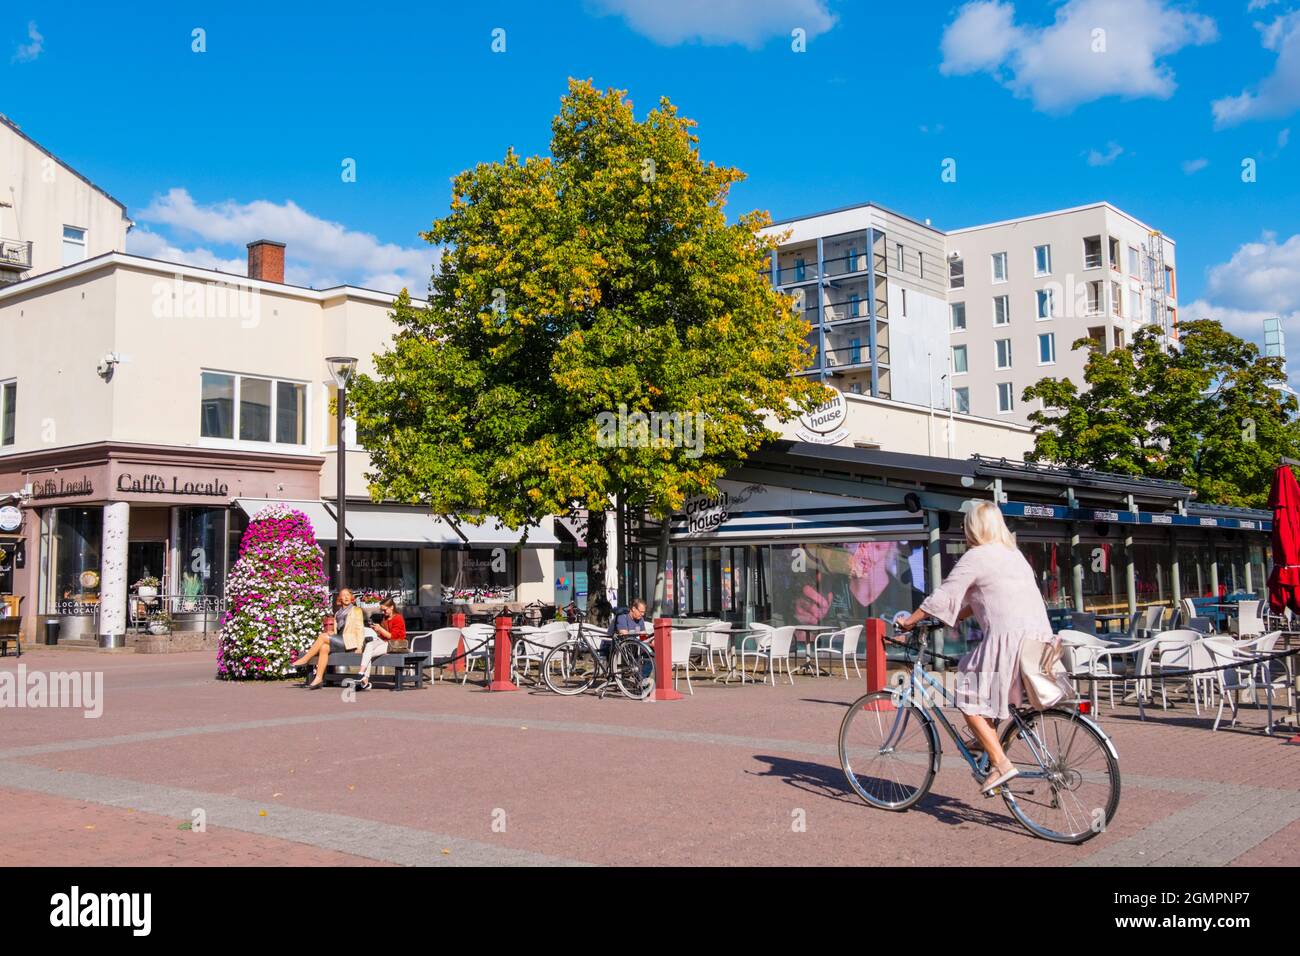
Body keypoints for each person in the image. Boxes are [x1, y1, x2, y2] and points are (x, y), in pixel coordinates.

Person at [896, 501, 1053, 795]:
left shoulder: (976, 557)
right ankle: (986, 739)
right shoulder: (1014, 555)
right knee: (984, 683)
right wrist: (950, 619)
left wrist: (910, 621)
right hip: (1038, 638)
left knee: (967, 694)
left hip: (1009, 639)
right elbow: (979, 600)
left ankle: (1001, 763)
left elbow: (944, 595)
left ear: (973, 527)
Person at [291, 588, 365, 689]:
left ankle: (305, 659)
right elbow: (339, 630)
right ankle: (318, 679)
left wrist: (359, 646)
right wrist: (333, 633)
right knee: (324, 647)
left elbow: (360, 629)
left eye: (348, 595)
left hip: (350, 642)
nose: (346, 597)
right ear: (340, 598)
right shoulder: (338, 613)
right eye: (343, 595)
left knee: (323, 636)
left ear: (352, 597)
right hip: (341, 641)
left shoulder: (356, 610)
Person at [349, 598, 406, 692]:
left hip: (395, 644)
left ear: (391, 607)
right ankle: (362, 675)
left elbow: (393, 637)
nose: (383, 612)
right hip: (385, 642)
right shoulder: (385, 618)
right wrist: (377, 631)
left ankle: (364, 680)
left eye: (385, 610)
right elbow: (384, 635)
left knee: (368, 652)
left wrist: (380, 629)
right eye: (382, 610)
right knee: (369, 645)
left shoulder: (398, 618)